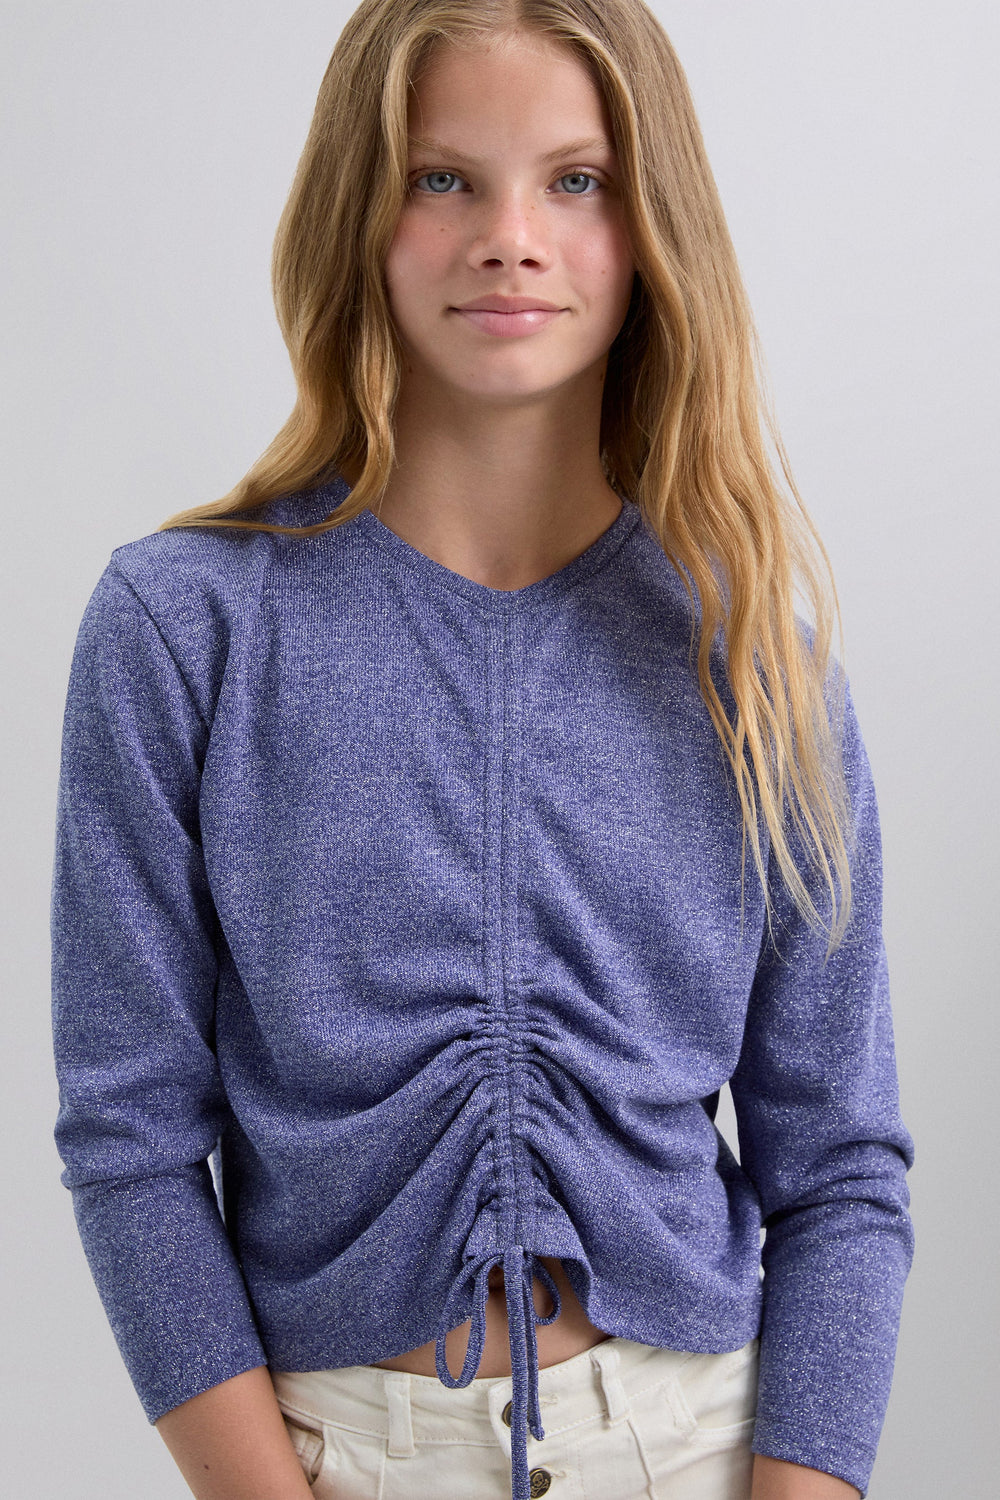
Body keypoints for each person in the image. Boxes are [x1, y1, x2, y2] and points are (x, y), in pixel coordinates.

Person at [49, 3, 916, 1499]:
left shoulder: (755, 665)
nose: (511, 239)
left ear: (652, 229)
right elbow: (129, 1141)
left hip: (697, 1448)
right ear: (357, 217)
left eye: (576, 181)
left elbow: (841, 1167)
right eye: (442, 178)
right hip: (333, 1456)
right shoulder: (183, 627)